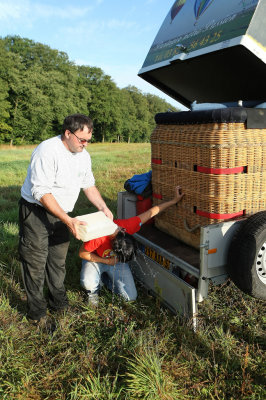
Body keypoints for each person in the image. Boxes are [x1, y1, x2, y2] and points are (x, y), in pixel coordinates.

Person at [19, 113, 113, 324]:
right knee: (35, 263)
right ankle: (38, 314)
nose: (85, 145)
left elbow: (88, 184)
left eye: (89, 140)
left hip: (63, 215)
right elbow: (41, 191)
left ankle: (59, 304)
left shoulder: (83, 155)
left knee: (57, 261)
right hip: (36, 212)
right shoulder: (47, 151)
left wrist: (103, 206)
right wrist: (68, 220)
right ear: (67, 133)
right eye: (82, 140)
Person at [79, 186, 184, 306]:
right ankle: (93, 292)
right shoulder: (99, 237)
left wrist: (173, 201)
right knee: (87, 282)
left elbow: (151, 213)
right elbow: (82, 253)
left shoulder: (127, 226)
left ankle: (105, 280)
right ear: (114, 246)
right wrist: (106, 261)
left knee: (130, 297)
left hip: (115, 262)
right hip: (95, 259)